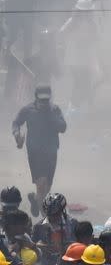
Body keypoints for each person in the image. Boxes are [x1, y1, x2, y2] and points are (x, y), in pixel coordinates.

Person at [13, 84, 66, 216]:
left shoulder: (55, 110)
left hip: (51, 152)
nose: (44, 102)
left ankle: (35, 200)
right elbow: (16, 123)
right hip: (35, 152)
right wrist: (17, 135)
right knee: (41, 184)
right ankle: (45, 220)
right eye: (41, 100)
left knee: (47, 188)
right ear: (36, 97)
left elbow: (63, 127)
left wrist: (52, 118)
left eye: (46, 100)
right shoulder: (28, 109)